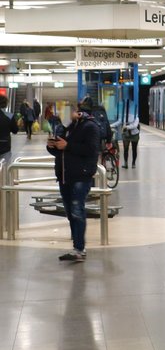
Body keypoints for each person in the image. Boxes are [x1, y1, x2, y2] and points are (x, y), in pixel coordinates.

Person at [47, 102, 101, 263]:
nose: (67, 114)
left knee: (77, 211)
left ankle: (79, 249)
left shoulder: (91, 127)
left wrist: (68, 145)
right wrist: (52, 146)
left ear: (80, 112)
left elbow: (91, 150)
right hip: (65, 175)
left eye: (71, 111)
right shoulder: (70, 127)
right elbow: (61, 150)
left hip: (81, 175)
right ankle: (76, 247)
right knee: (71, 213)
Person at [120, 104, 140, 168]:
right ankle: (126, 164)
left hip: (134, 135)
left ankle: (133, 163)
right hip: (126, 135)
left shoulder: (136, 117)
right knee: (125, 149)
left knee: (134, 149)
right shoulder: (123, 117)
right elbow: (120, 122)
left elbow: (135, 126)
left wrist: (126, 127)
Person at [0, 96, 18, 161]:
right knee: (4, 167)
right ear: (5, 104)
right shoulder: (9, 116)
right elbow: (15, 130)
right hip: (4, 145)